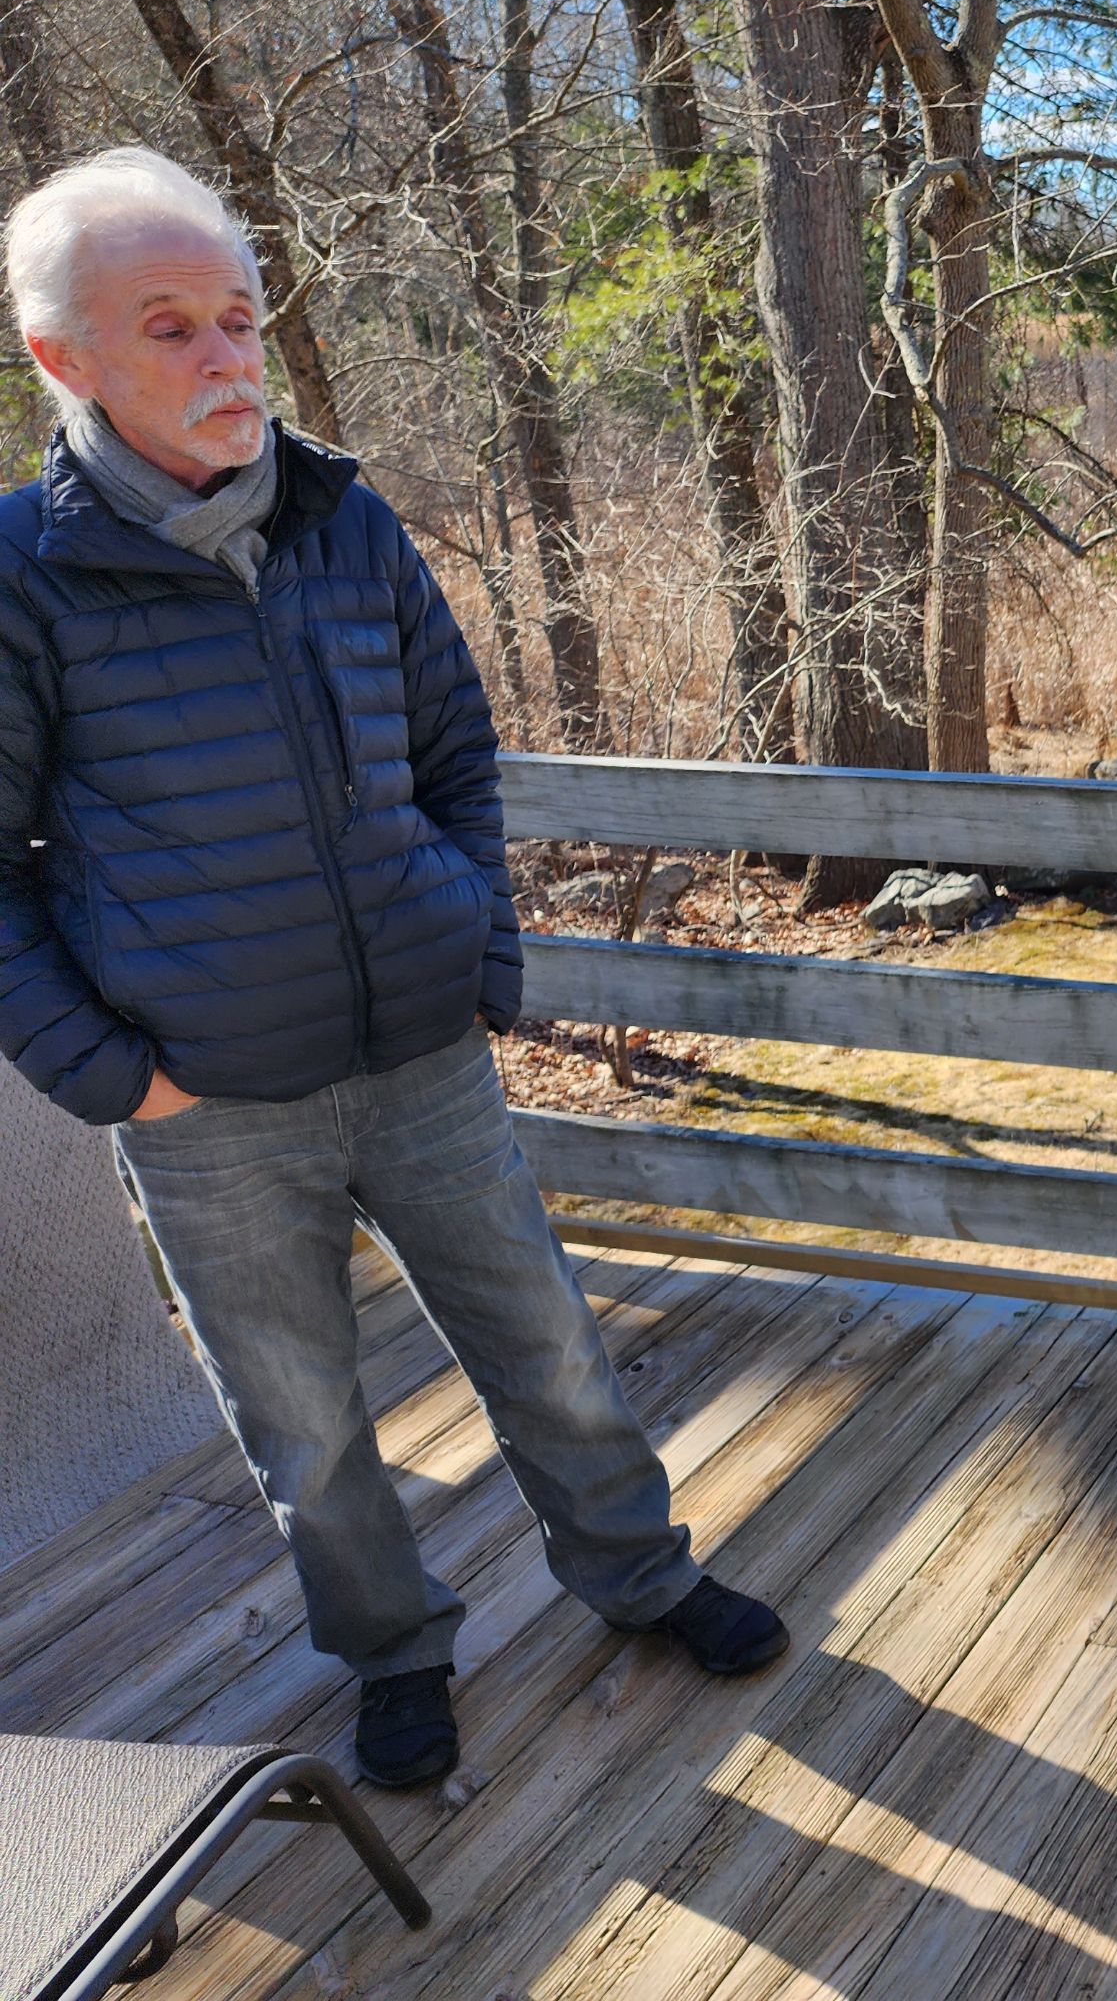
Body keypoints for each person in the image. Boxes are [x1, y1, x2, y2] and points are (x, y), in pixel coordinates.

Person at [0, 149, 785, 1790]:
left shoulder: (345, 521)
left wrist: (476, 946)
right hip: (207, 1104)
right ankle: (394, 1652)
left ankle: (641, 1577)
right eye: (171, 329)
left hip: (425, 1054)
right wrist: (108, 1074)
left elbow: (455, 755)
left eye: (238, 317)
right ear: (61, 359)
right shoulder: (22, 579)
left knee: (550, 1346)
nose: (227, 358)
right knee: (305, 1425)